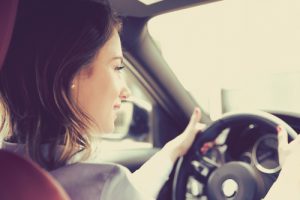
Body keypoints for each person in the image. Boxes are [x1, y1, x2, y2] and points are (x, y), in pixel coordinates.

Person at [0, 0, 203, 199]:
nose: (126, 93)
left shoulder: (10, 173)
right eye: (116, 68)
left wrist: (172, 151)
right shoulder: (106, 184)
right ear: (71, 76)